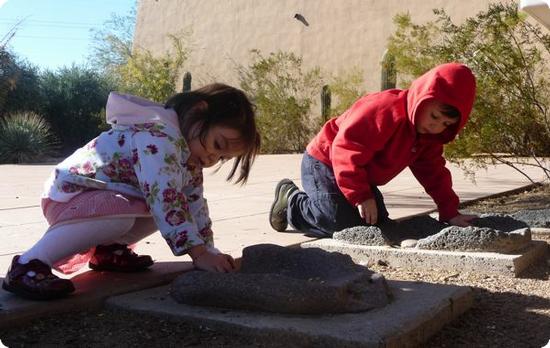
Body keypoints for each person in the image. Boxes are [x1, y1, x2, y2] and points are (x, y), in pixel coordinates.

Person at [2, 83, 260, 300]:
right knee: (150, 207)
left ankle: (108, 251)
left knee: (158, 209)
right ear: (197, 111)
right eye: (217, 144)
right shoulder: (159, 137)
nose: (213, 157)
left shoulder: (188, 156)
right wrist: (198, 253)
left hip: (104, 199)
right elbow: (164, 197)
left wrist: (209, 251)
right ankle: (29, 264)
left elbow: (193, 204)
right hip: (70, 195)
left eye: (223, 156)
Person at [269, 63, 477, 237]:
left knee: (375, 225)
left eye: (446, 124)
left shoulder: (427, 138)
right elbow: (346, 149)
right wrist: (361, 196)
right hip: (326, 161)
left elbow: (434, 174)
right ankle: (292, 202)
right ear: (423, 98)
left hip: (358, 173)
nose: (437, 126)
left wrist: (449, 211)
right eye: (434, 116)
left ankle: (339, 204)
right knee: (337, 222)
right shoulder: (384, 109)